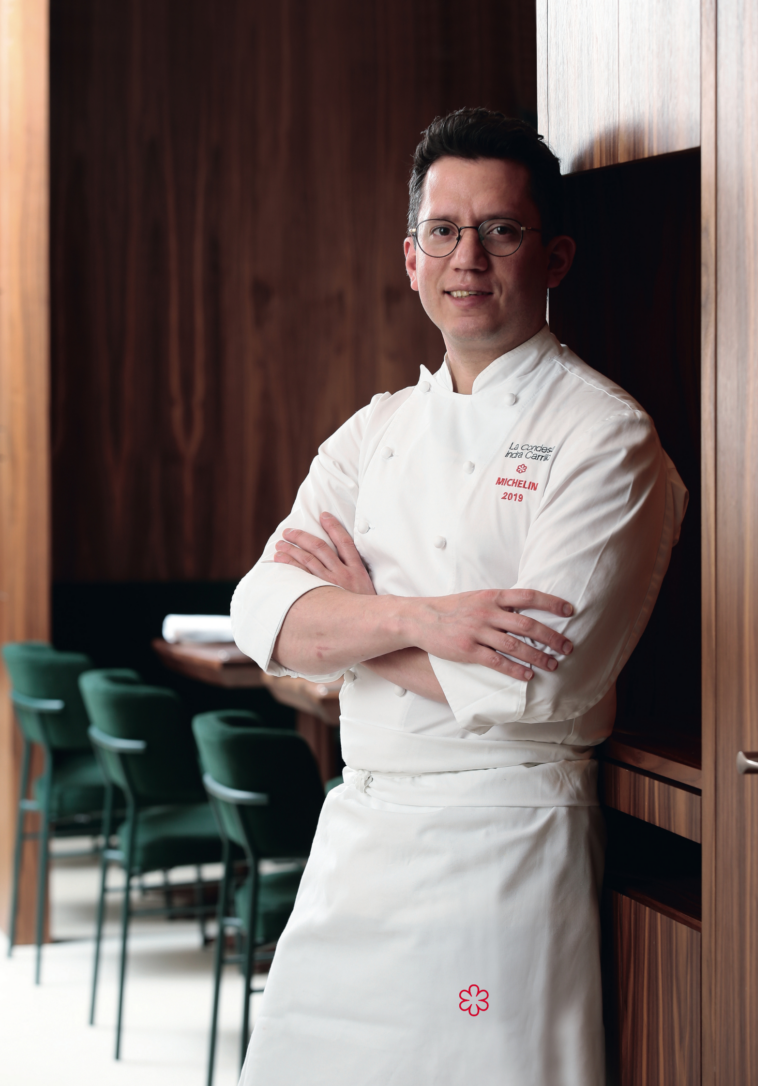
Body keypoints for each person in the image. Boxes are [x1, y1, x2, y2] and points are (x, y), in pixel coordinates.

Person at [231, 108, 687, 1086]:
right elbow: (263, 613)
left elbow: (538, 682)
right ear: (411, 259)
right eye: (443, 231)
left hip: (503, 847)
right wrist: (422, 620)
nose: (467, 258)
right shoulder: (375, 431)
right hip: (358, 834)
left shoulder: (607, 436)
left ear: (555, 257)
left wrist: (350, 629)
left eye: (501, 230)